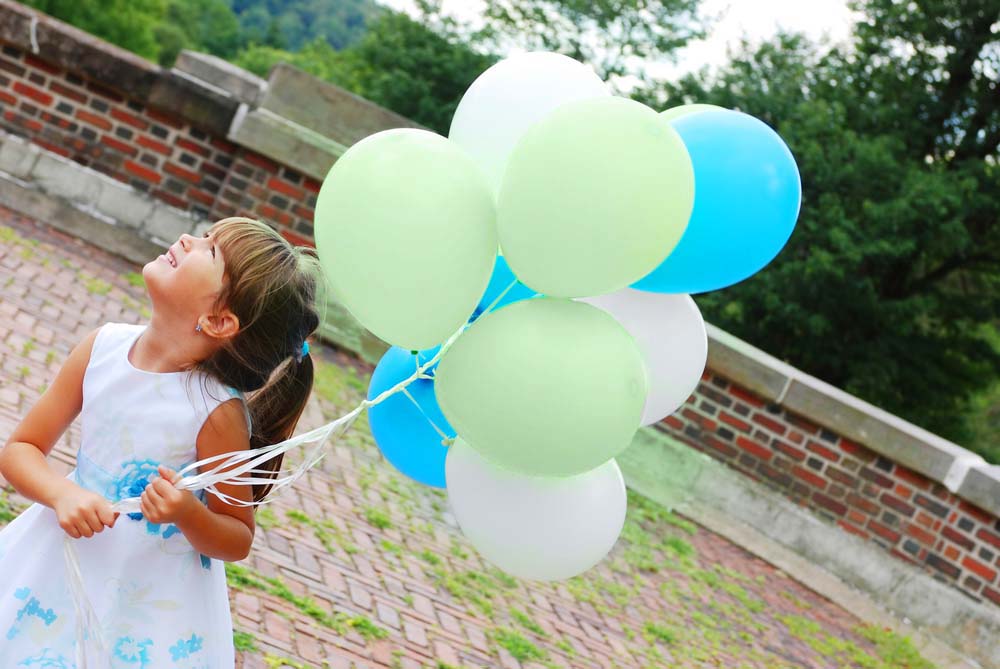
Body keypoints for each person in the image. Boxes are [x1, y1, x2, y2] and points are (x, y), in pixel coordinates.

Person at [0, 217, 321, 667]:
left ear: (219, 320)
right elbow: (21, 449)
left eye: (210, 251)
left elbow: (237, 535)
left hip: (141, 601)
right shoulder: (103, 348)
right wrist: (62, 492)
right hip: (55, 558)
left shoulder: (215, 412)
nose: (190, 239)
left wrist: (188, 512)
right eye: (205, 235)